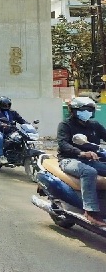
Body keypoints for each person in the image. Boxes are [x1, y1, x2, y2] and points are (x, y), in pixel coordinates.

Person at [57, 97, 106, 227]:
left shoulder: (94, 125)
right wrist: (81, 153)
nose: (87, 112)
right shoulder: (65, 125)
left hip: (91, 159)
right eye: (83, 109)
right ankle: (90, 211)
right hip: (69, 159)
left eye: (89, 110)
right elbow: (63, 144)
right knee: (89, 172)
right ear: (74, 110)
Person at [0, 96, 28, 164]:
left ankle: (19, 153)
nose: (6, 106)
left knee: (20, 137)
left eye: (8, 104)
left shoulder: (13, 112)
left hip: (10, 131)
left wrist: (28, 124)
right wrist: (1, 124)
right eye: (4, 105)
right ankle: (1, 156)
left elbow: (21, 120)